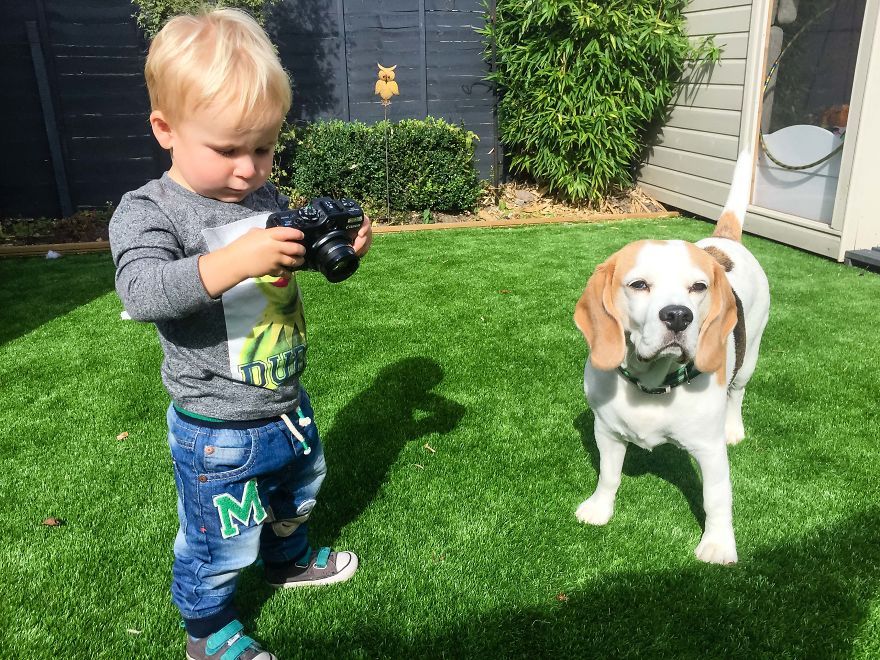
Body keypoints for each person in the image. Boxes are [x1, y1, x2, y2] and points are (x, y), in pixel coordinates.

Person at [109, 8, 371, 660]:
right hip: (217, 428)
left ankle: (286, 561)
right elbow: (142, 294)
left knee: (297, 493)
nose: (249, 169)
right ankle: (208, 631)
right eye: (227, 149)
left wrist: (332, 250)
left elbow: (280, 256)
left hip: (284, 399)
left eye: (263, 147)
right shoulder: (150, 210)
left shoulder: (257, 197)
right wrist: (233, 261)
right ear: (165, 130)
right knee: (218, 540)